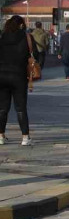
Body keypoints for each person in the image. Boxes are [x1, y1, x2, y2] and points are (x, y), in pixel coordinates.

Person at [0, 16, 33, 146]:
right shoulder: (26, 37)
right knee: (20, 108)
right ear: (21, 25)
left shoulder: (2, 38)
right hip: (19, 76)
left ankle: (1, 136)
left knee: (2, 108)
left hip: (2, 76)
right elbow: (34, 54)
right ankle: (25, 138)